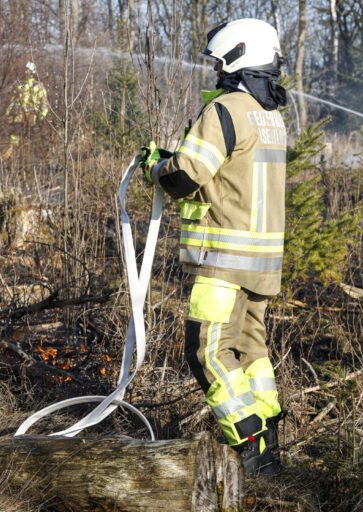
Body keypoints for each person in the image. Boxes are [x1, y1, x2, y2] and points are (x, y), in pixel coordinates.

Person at [139, 18, 287, 475]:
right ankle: (270, 446)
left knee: (207, 350)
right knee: (252, 351)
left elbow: (187, 175)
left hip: (223, 261)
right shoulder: (272, 117)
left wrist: (153, 168)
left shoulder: (224, 110)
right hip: (263, 263)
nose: (216, 72)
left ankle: (248, 444)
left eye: (220, 62)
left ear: (238, 59)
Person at [2, 61, 49, 160]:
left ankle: (32, 157)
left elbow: (44, 102)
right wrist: (8, 113)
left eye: (27, 70)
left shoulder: (38, 85)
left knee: (31, 136)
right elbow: (13, 100)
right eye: (25, 70)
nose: (25, 72)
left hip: (32, 115)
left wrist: (42, 115)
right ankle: (11, 155)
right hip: (19, 114)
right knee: (15, 135)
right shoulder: (20, 85)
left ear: (32, 72)